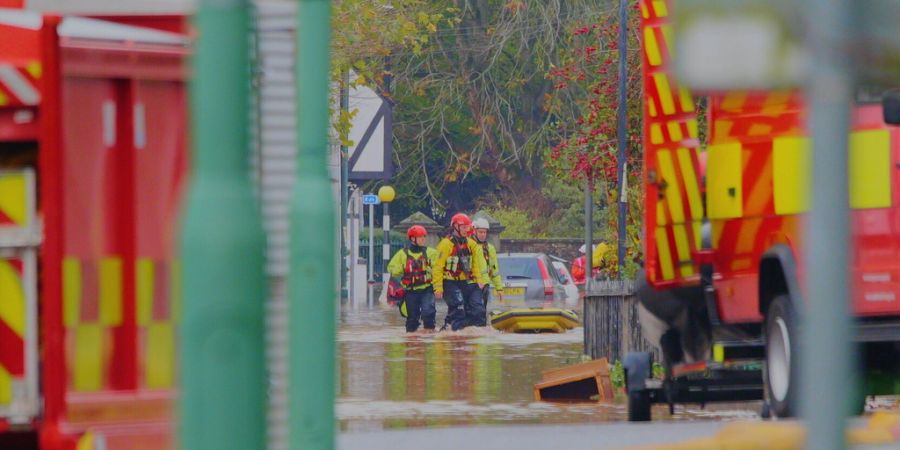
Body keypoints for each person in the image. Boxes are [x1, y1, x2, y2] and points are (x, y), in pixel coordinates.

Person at [433, 213, 488, 331]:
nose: (466, 230)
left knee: (478, 310)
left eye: (467, 227)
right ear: (455, 227)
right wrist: (438, 287)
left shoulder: (471, 244)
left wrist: (479, 280)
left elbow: (475, 265)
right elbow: (438, 267)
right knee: (458, 308)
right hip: (450, 282)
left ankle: (474, 336)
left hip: (467, 281)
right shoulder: (445, 244)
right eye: (463, 227)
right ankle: (454, 335)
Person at [387, 225, 439, 333]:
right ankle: (412, 343)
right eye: (420, 237)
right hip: (410, 291)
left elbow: (440, 265)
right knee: (412, 319)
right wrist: (402, 269)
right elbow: (391, 269)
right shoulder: (402, 254)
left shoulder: (431, 253)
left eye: (424, 237)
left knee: (428, 313)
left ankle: (429, 337)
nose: (423, 239)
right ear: (412, 238)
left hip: (427, 289)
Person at [472, 218, 503, 308]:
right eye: (480, 232)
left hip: (484, 284)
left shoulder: (490, 248)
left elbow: (494, 269)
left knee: (481, 310)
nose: (483, 235)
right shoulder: (470, 246)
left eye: (485, 232)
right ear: (475, 231)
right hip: (472, 283)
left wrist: (499, 288)